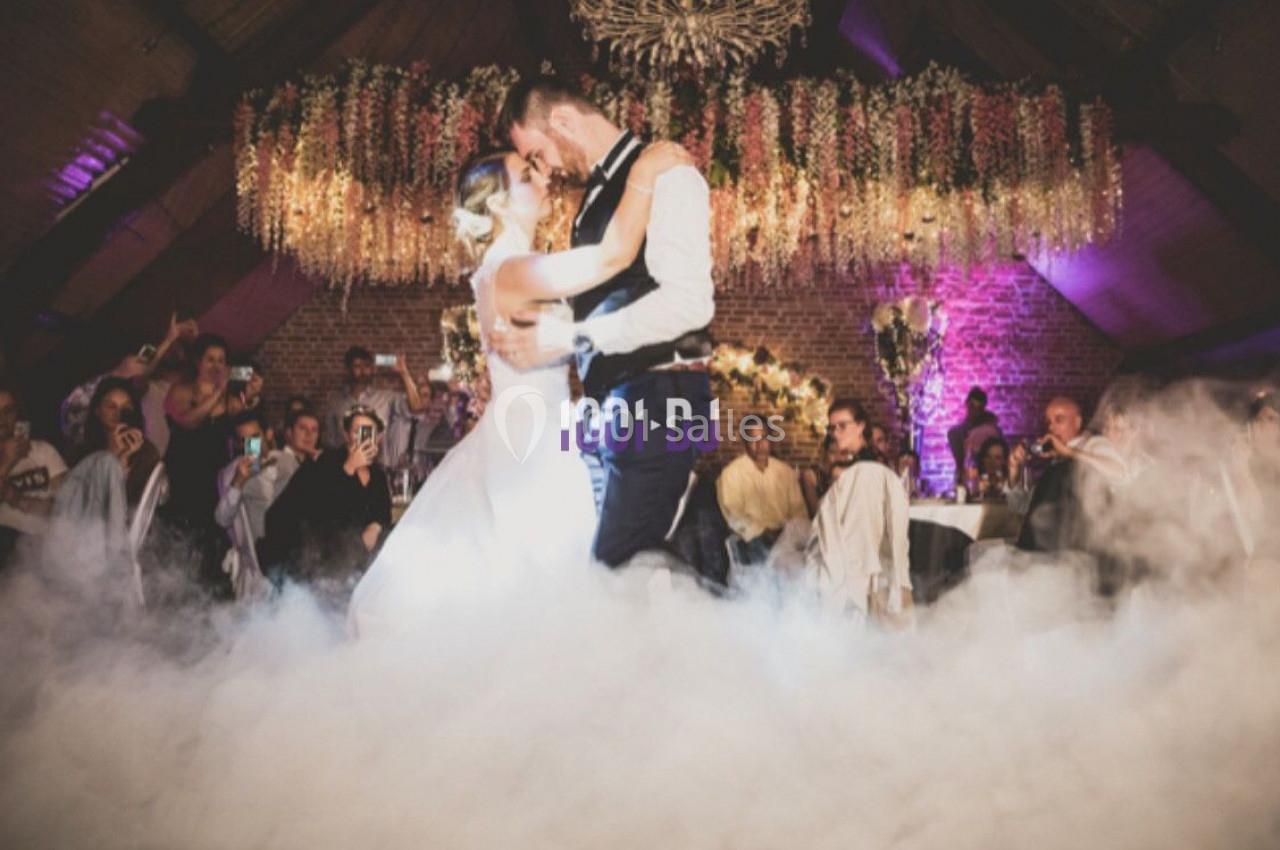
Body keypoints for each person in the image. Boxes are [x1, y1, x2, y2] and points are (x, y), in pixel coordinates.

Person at [349, 141, 693, 634]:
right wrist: (645, 169)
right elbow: (612, 256)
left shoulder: (511, 268)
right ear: (497, 204)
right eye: (528, 177)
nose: (544, 180)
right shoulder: (510, 270)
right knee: (542, 591)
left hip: (535, 432)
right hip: (529, 452)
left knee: (546, 588)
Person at [492, 76, 716, 571]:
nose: (543, 169)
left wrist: (572, 337)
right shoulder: (604, 194)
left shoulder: (669, 174)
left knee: (618, 573)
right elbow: (612, 267)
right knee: (628, 574)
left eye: (537, 153)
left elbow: (688, 305)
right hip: (625, 406)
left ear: (564, 122)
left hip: (661, 398)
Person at [805, 399, 912, 620]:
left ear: (861, 426)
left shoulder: (865, 473)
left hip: (859, 569)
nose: (836, 433)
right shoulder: (858, 470)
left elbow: (859, 536)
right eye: (832, 427)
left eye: (842, 426)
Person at [161, 332, 244, 598]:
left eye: (221, 361)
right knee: (185, 546)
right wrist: (217, 394)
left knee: (214, 546)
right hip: (185, 474)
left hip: (215, 479)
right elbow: (188, 421)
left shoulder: (231, 400)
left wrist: (253, 459)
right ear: (198, 361)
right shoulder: (181, 390)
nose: (216, 366)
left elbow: (248, 433)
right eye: (210, 359)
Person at [60, 312, 198, 451]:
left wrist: (197, 344)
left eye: (180, 347)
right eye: (170, 347)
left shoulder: (189, 391)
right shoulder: (146, 388)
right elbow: (73, 418)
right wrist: (118, 374)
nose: (176, 351)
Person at [1007, 396, 1125, 552]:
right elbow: (1020, 507)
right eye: (1048, 422)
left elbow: (1119, 472)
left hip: (1087, 545)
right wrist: (1013, 468)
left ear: (1077, 422)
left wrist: (1069, 452)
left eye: (1059, 420)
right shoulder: (1055, 461)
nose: (1051, 428)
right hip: (1053, 546)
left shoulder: (1094, 444)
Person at [716, 416, 808, 567]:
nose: (760, 445)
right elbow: (734, 515)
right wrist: (763, 532)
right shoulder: (732, 473)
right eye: (753, 439)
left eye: (764, 438)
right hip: (752, 540)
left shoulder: (785, 472)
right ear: (744, 442)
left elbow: (799, 511)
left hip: (785, 537)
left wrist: (787, 533)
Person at [322, 347, 426, 471]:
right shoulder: (335, 402)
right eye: (357, 366)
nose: (363, 370)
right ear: (348, 370)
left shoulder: (386, 398)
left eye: (366, 365)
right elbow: (330, 442)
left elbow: (417, 407)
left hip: (379, 468)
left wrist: (404, 373)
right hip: (345, 468)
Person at [0, 384, 67, 565]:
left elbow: (65, 506)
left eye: (8, 411)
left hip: (49, 543)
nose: (2, 420)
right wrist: (7, 463)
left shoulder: (43, 451)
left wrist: (15, 498)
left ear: (17, 415)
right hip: (8, 547)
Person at [947, 386, 1002, 484]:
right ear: (967, 404)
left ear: (983, 409)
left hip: (987, 480)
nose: (975, 411)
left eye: (979, 408)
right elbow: (960, 461)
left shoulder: (991, 431)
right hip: (965, 479)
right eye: (972, 406)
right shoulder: (956, 433)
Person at [800, 434, 846, 518]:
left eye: (842, 453)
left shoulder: (845, 473)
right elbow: (815, 512)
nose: (838, 458)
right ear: (824, 452)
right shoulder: (810, 474)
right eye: (833, 453)